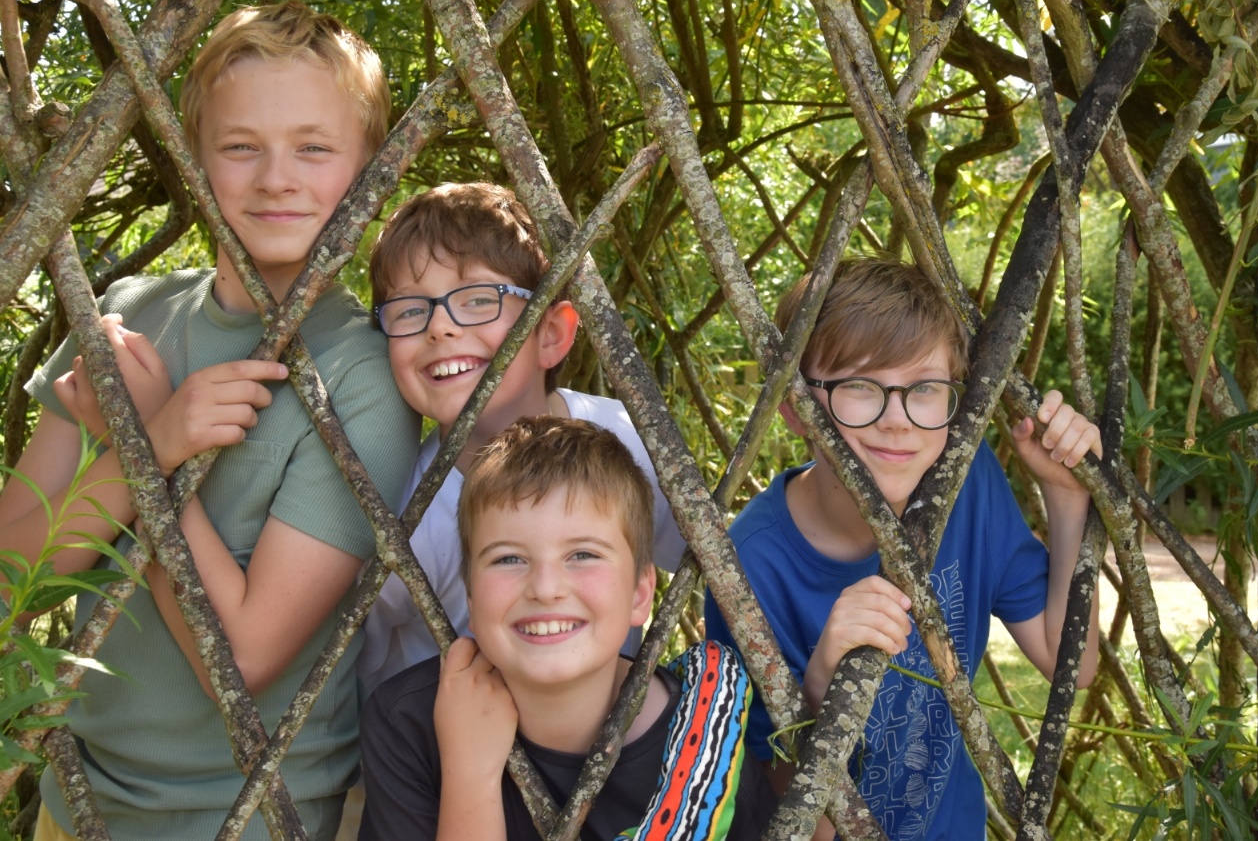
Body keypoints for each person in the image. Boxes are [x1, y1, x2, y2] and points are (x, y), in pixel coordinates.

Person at [2, 0, 421, 840]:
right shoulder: (128, 314)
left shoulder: (364, 377)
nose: (276, 178)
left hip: (251, 815)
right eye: (240, 147)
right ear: (192, 154)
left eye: (313, 147)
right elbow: (14, 576)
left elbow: (242, 662)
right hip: (77, 799)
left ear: (369, 168)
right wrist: (154, 442)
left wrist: (138, 442)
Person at [703, 255, 1102, 841]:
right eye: (860, 387)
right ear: (794, 406)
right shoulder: (751, 564)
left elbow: (1072, 663)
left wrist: (1066, 497)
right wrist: (820, 686)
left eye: (925, 388)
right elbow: (797, 827)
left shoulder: (964, 478)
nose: (898, 421)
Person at [359, 416, 773, 840]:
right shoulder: (407, 723)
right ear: (472, 596)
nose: (545, 588)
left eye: (583, 555)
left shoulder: (713, 748)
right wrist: (470, 775)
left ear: (639, 593)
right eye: (508, 559)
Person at [354, 183, 685, 693]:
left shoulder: (630, 438)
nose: (439, 327)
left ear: (550, 334)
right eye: (410, 310)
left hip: (610, 728)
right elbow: (363, 670)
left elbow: (701, 565)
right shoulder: (403, 512)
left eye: (478, 300)